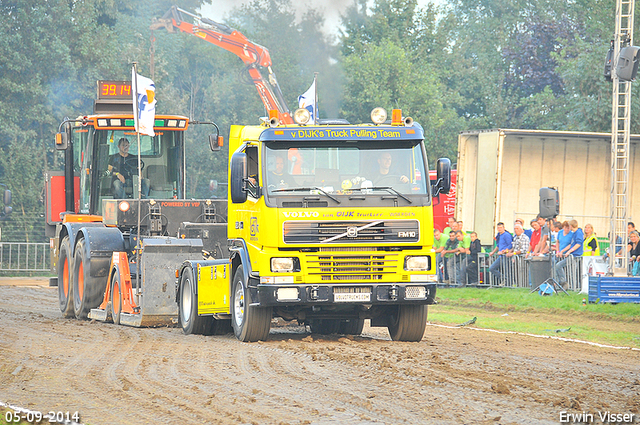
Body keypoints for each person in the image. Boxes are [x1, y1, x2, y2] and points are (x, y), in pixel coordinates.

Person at [554, 220, 583, 289]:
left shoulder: (578, 233)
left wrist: (569, 251)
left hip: (575, 255)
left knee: (559, 266)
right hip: (572, 255)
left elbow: (578, 244)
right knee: (572, 271)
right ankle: (570, 286)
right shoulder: (575, 233)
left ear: (571, 226)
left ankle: (567, 284)